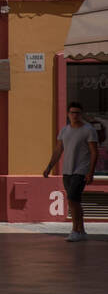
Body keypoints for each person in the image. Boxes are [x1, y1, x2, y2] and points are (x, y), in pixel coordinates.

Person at [44, 101, 100, 242]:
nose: (75, 115)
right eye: (72, 112)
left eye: (77, 113)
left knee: (72, 199)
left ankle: (75, 230)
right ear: (68, 114)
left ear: (81, 114)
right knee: (75, 201)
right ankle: (81, 230)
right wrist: (49, 167)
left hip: (81, 170)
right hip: (67, 170)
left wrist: (90, 172)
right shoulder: (64, 130)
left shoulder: (88, 130)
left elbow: (94, 152)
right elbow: (58, 150)